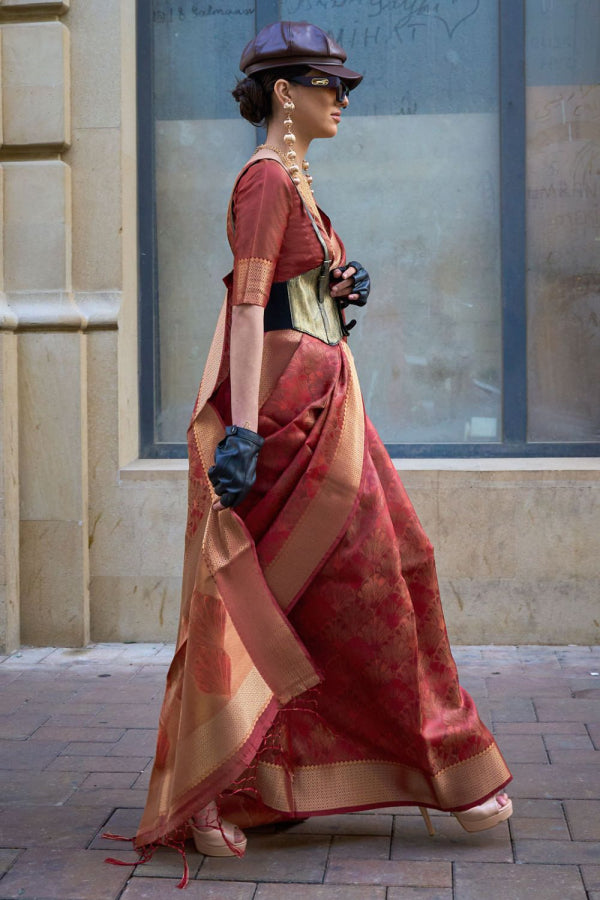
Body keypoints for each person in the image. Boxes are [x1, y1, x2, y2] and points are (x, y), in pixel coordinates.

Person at [133, 20, 512, 885]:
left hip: (325, 403)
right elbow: (246, 306)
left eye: (341, 86)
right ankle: (218, 795)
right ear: (284, 94)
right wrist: (240, 432)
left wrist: (338, 290)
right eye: (327, 84)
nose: (341, 99)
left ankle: (279, 783)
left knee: (360, 581)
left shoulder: (293, 183)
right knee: (280, 597)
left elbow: (290, 303)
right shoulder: (266, 180)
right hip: (284, 420)